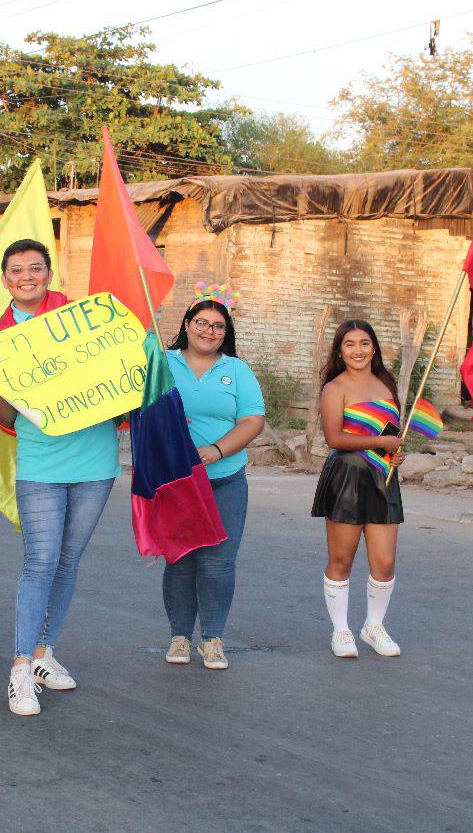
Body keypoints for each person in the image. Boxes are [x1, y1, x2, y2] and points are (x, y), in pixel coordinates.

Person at [0, 239, 119, 716]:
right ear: (5, 280)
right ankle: (19, 669)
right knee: (41, 560)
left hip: (95, 460)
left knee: (69, 559)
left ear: (49, 273)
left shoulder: (83, 319)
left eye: (36, 268)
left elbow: (118, 381)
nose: (28, 276)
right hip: (40, 462)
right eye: (18, 270)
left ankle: (43, 652)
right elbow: (2, 417)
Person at [161, 287, 265, 670]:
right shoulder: (162, 363)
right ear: (187, 325)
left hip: (224, 478)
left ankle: (213, 639)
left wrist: (217, 450)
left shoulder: (236, 370)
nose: (209, 330)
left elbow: (253, 419)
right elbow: (139, 408)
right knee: (182, 559)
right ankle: (179, 637)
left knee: (219, 562)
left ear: (227, 332)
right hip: (174, 482)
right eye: (201, 322)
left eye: (218, 326)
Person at [311, 320, 407, 659]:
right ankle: (341, 630)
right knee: (342, 558)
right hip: (347, 477)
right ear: (340, 350)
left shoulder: (386, 384)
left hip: (383, 478)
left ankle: (373, 626)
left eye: (364, 343)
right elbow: (335, 438)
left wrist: (395, 451)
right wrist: (381, 441)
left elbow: (392, 431)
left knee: (384, 561)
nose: (358, 350)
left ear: (374, 348)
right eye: (349, 344)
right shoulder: (334, 389)